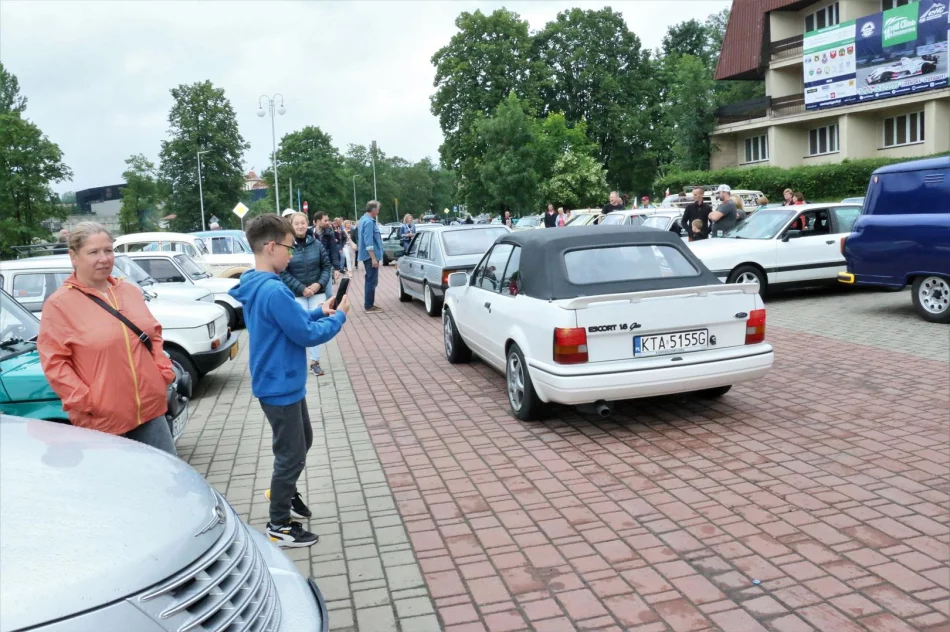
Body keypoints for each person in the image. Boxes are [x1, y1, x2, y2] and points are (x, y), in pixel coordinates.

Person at [228, 214, 349, 548]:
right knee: (291, 453)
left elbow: (293, 321)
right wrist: (339, 316)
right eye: (288, 247)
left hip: (283, 381)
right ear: (270, 247)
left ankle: (283, 488)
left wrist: (319, 310)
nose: (292, 254)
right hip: (279, 384)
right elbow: (305, 335)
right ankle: (278, 524)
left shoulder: (258, 282)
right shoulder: (274, 290)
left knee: (302, 442)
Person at [37, 221, 178, 455]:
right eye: (93, 252)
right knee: (119, 488)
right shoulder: (60, 305)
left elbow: (153, 334)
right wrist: (88, 402)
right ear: (74, 256)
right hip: (103, 422)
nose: (104, 259)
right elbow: (55, 364)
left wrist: (162, 372)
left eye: (108, 250)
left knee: (170, 482)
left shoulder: (129, 291)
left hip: (151, 412)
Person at [279, 212, 331, 377]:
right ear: (291, 226)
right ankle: (297, 361)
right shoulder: (286, 247)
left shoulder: (317, 244)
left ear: (307, 224)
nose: (300, 226)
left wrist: (318, 284)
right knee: (298, 327)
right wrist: (301, 288)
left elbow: (326, 266)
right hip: (297, 294)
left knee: (315, 327)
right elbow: (283, 272)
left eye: (303, 223)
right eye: (297, 224)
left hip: (317, 293)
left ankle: (315, 362)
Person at [357, 200, 384, 313]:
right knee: (371, 280)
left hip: (368, 256)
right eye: (377, 209)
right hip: (370, 257)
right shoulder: (368, 222)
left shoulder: (364, 219)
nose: (378, 211)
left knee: (371, 279)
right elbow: (369, 242)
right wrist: (373, 258)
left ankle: (369, 304)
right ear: (373, 210)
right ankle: (369, 306)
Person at [313, 212, 340, 296]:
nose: (328, 223)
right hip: (313, 268)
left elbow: (334, 251)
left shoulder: (329, 234)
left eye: (328, 220)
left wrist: (337, 268)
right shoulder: (309, 234)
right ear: (318, 221)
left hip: (326, 267)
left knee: (328, 294)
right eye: (325, 220)